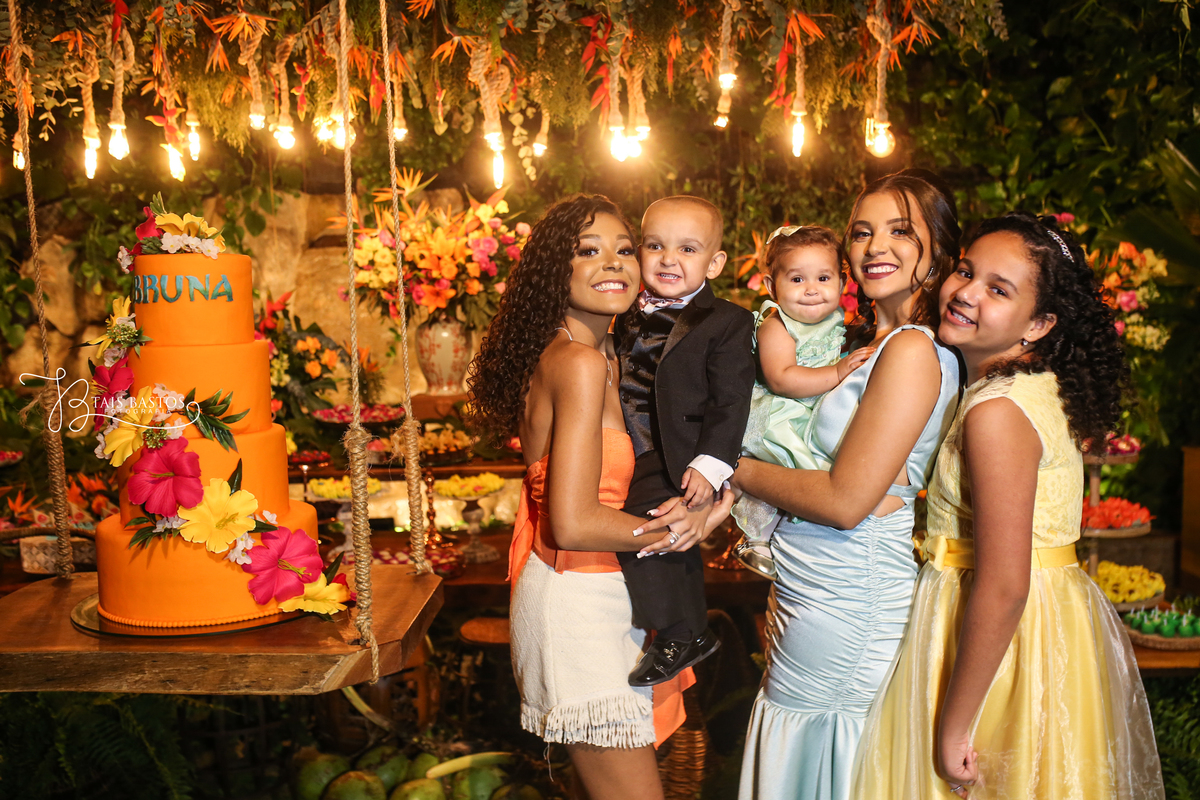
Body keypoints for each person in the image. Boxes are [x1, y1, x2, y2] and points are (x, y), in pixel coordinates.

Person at [852, 213, 1165, 800]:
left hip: (1002, 639)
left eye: (998, 290)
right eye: (966, 272)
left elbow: (1003, 584)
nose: (966, 292)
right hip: (1041, 622)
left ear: (1039, 324)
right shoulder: (1033, 389)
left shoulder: (996, 412)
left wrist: (956, 724)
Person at [466, 194, 731, 800]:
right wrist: (685, 528)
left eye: (624, 249)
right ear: (553, 272)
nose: (612, 263)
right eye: (588, 251)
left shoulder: (606, 355)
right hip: (580, 602)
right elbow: (574, 521)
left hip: (610, 589)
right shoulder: (579, 364)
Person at [733, 169, 963, 800]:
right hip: (813, 579)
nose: (875, 246)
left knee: (822, 757)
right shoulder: (863, 341)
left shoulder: (913, 349)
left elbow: (844, 502)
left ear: (939, 249)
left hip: (849, 587)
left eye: (900, 231)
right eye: (861, 232)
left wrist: (734, 468)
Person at [613, 195, 756, 686]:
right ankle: (684, 628)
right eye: (655, 246)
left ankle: (680, 631)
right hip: (624, 447)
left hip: (678, 454)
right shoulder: (622, 313)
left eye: (687, 249)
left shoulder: (728, 322)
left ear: (714, 264)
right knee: (656, 532)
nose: (668, 259)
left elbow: (731, 399)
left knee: (648, 528)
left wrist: (711, 463)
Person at [730, 225, 875, 579]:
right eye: (797, 279)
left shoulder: (835, 320)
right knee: (785, 465)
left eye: (823, 278)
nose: (811, 289)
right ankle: (756, 538)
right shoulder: (777, 325)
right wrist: (838, 372)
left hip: (809, 409)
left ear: (842, 283)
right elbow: (782, 377)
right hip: (780, 412)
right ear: (771, 286)